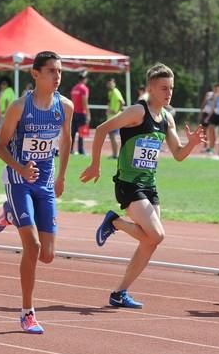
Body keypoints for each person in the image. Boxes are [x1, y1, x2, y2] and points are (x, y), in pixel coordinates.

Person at [80, 63, 206, 309]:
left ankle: (119, 293)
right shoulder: (138, 111)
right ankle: (114, 222)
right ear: (150, 88)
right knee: (157, 234)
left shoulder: (167, 118)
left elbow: (178, 154)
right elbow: (102, 129)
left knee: (150, 242)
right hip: (129, 184)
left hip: (149, 185)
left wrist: (190, 144)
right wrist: (96, 164)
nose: (168, 93)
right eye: (163, 88)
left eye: (171, 88)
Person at [0, 51, 72, 334]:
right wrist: (21, 169)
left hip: (46, 184)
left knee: (48, 255)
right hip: (19, 180)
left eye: (60, 71)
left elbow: (67, 139)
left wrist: (62, 176)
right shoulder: (19, 107)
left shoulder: (65, 107)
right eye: (51, 71)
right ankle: (27, 312)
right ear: (35, 74)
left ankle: (9, 213)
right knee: (33, 247)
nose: (57, 77)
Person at [70, 73, 90, 155]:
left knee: (73, 132)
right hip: (81, 112)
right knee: (82, 132)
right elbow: (84, 102)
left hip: (74, 112)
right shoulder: (84, 89)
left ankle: (70, 149)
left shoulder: (74, 88)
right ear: (85, 79)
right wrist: (88, 113)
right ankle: (81, 150)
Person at [105, 78, 125, 158]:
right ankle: (114, 154)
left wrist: (116, 112)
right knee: (111, 136)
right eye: (108, 83)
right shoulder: (110, 92)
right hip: (110, 117)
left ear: (114, 83)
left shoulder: (116, 92)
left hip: (114, 117)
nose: (110, 85)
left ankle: (116, 154)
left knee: (113, 136)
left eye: (111, 83)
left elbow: (122, 102)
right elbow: (110, 103)